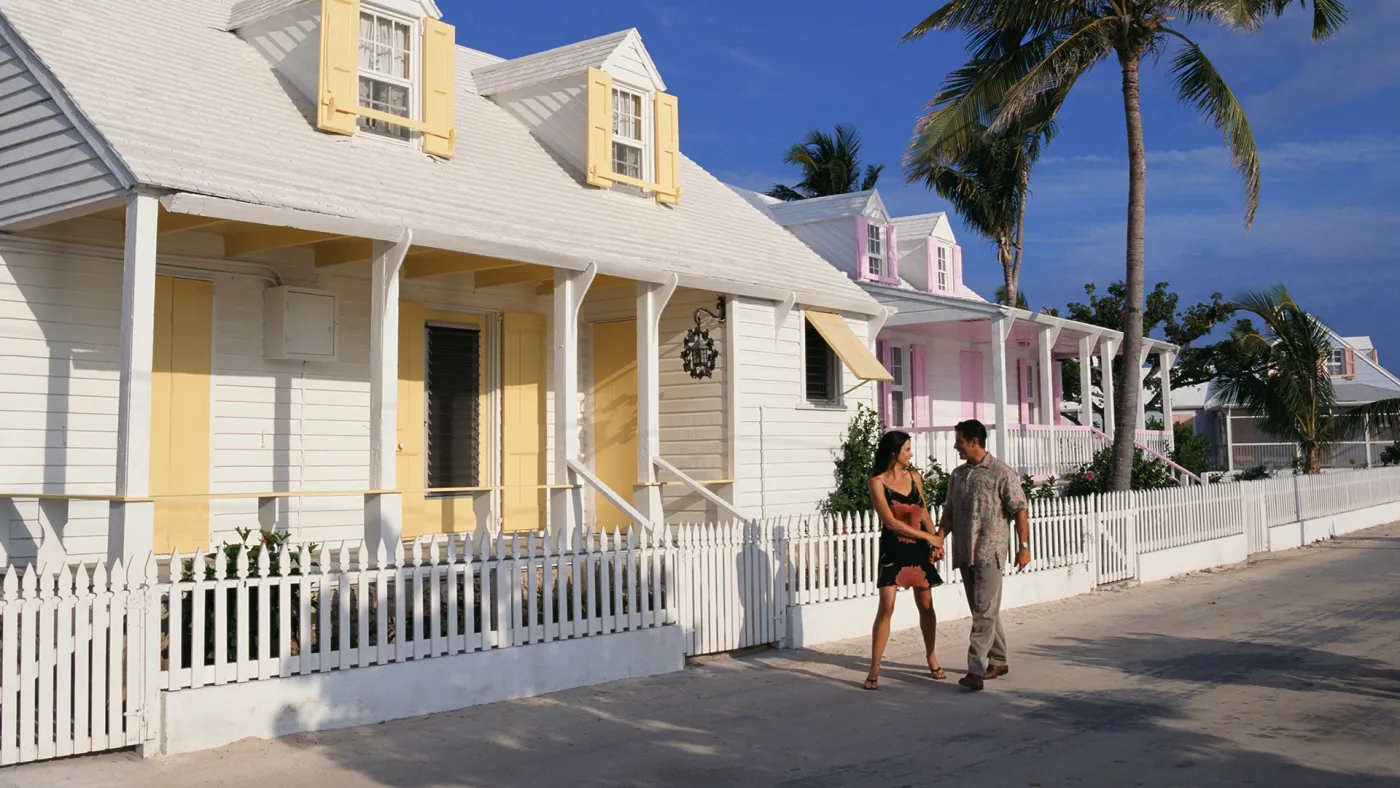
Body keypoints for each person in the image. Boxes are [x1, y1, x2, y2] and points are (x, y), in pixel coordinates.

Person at [936, 419, 1030, 692]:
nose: (956, 446)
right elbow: (949, 512)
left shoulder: (1002, 472)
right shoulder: (957, 475)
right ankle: (998, 660)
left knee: (983, 613)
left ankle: (975, 670)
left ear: (974, 442)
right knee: (983, 610)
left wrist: (1024, 546)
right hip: (965, 552)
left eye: (960, 441)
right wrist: (938, 540)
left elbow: (1019, 509)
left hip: (991, 552)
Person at [862, 430, 945, 691]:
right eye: (907, 449)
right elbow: (890, 522)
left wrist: (935, 540)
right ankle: (875, 666)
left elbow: (923, 511)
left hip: (919, 549)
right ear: (894, 453)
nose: (911, 454)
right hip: (893, 549)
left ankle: (931, 656)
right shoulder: (877, 482)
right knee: (886, 606)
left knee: (926, 604)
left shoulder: (914, 477)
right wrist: (927, 536)